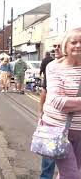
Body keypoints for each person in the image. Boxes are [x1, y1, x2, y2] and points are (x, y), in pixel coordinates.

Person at [41, 28, 81, 179]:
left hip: (79, 131)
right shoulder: (54, 67)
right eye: (74, 42)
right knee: (72, 175)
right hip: (56, 129)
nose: (78, 45)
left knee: (73, 171)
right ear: (66, 45)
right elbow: (57, 101)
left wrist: (72, 103)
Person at [38, 39, 63, 179]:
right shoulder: (51, 67)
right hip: (52, 120)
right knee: (48, 160)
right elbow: (44, 90)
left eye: (60, 46)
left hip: (74, 123)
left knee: (71, 164)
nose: (56, 49)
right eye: (55, 46)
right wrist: (40, 112)